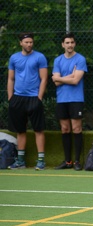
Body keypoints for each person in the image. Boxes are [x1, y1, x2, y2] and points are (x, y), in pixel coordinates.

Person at [7, 32, 48, 170]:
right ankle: (20, 161)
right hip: (17, 99)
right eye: (26, 42)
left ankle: (41, 160)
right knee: (20, 131)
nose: (29, 44)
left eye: (31, 42)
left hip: (34, 98)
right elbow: (11, 79)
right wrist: (10, 98)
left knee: (39, 130)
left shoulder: (40, 57)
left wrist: (39, 98)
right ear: (21, 43)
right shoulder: (14, 58)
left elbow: (44, 79)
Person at [51, 33, 87, 171]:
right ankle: (67, 161)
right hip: (62, 100)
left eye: (72, 42)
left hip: (76, 99)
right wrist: (71, 75)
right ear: (63, 45)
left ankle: (77, 161)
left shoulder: (80, 59)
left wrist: (61, 78)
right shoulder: (58, 60)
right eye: (67, 42)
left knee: (77, 129)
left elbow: (76, 81)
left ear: (75, 44)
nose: (70, 45)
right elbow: (55, 82)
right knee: (65, 129)